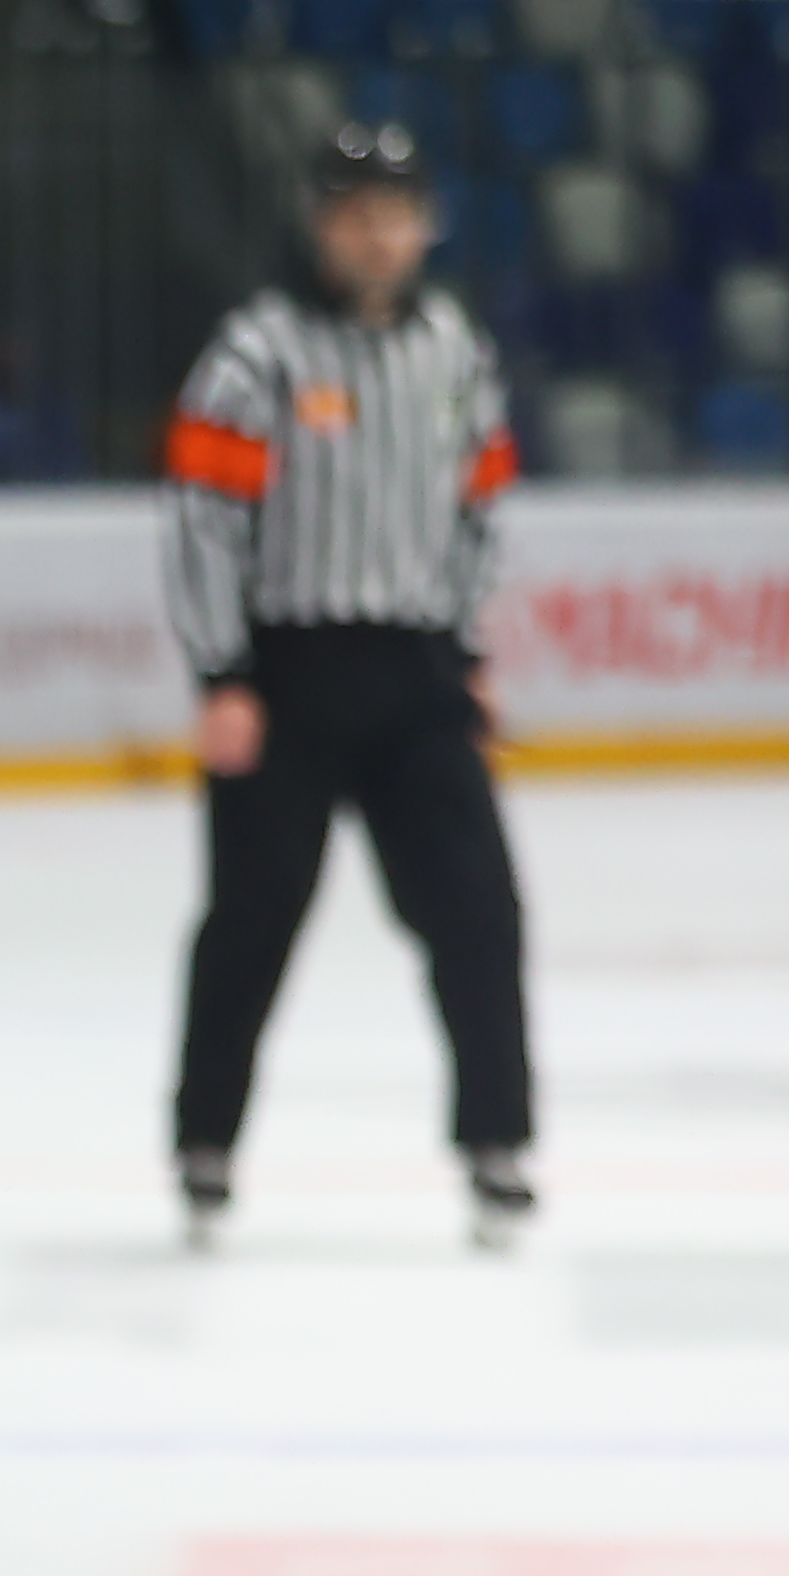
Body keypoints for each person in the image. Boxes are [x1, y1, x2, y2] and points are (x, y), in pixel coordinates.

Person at [158, 119, 534, 1251]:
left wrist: (468, 649)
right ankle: (206, 1140)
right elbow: (202, 522)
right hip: (287, 672)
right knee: (254, 918)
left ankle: (498, 1142)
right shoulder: (255, 355)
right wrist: (223, 671)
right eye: (357, 215)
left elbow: (482, 502)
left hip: (418, 671)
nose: (378, 236)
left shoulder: (456, 352)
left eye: (397, 215)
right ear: (322, 224)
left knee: (478, 911)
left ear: (425, 226)